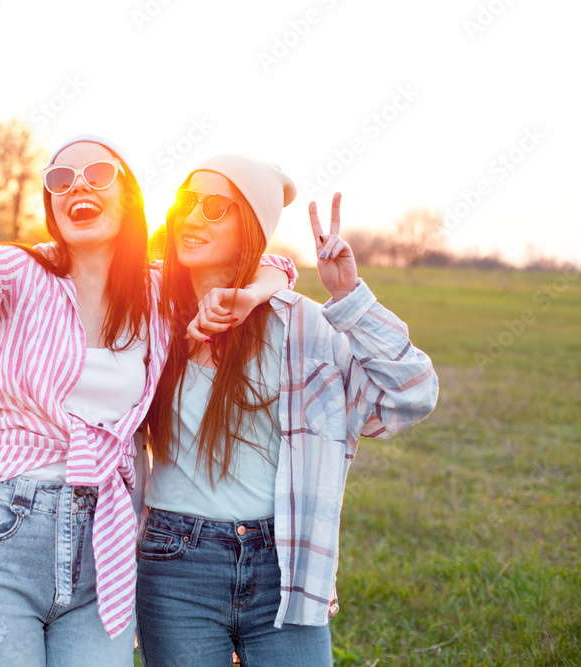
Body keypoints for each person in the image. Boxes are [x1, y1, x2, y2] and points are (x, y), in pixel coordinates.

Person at [0, 46, 298, 665]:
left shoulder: (162, 293)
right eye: (61, 179)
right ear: (52, 205)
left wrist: (247, 297)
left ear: (129, 198)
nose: (78, 186)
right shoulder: (17, 275)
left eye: (98, 175)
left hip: (104, 548)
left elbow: (276, 263)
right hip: (6, 530)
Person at [136, 155, 439, 666]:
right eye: (187, 202)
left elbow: (412, 395)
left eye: (215, 208)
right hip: (175, 563)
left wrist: (349, 296)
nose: (192, 219)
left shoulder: (304, 326)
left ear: (251, 227)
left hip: (284, 564)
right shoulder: (148, 310)